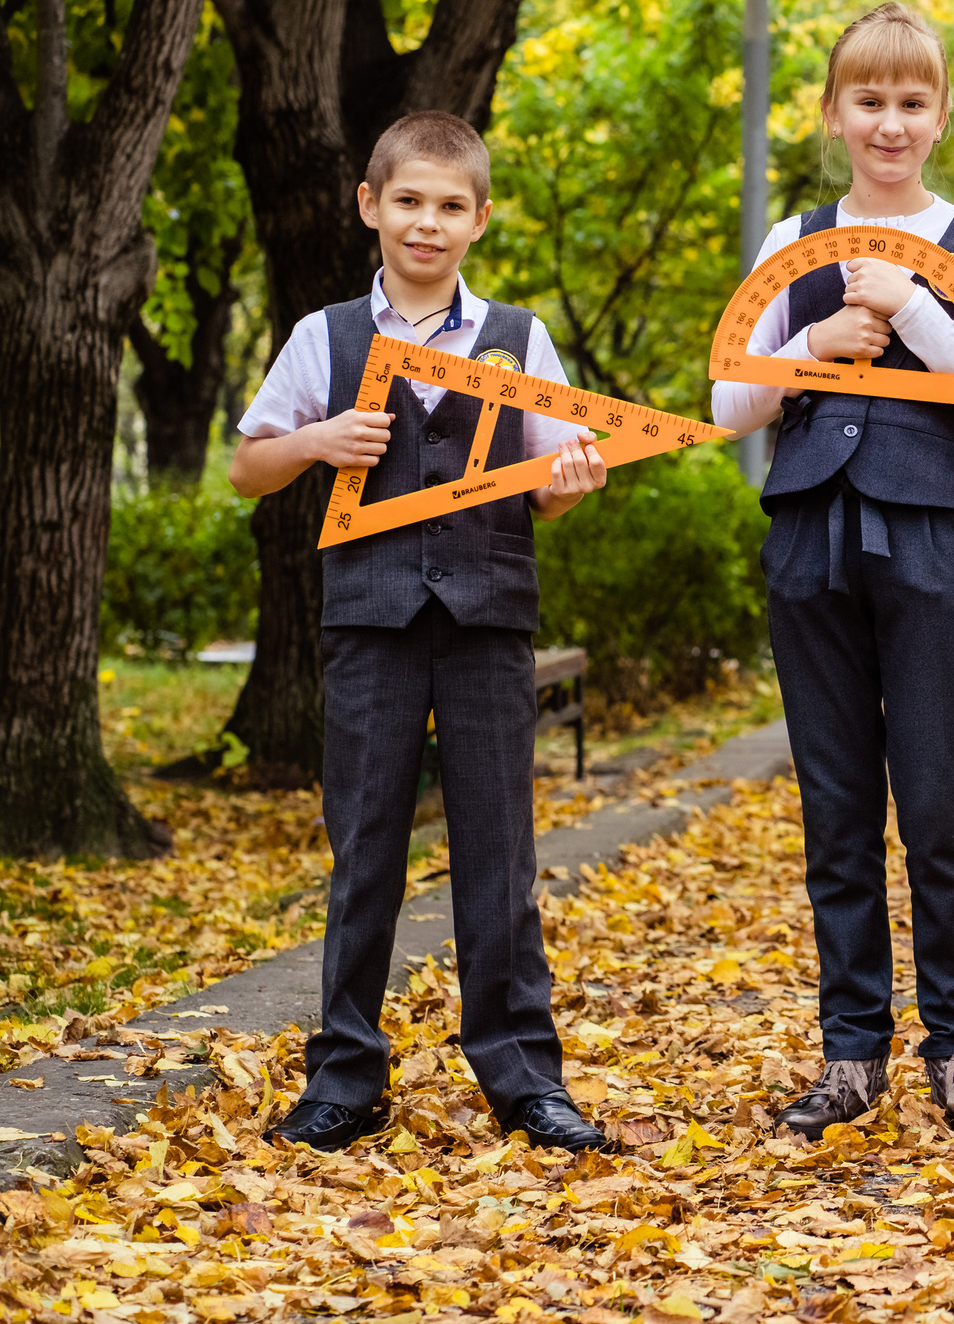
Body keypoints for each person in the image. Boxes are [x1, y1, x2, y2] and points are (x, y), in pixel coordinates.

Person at [228, 111, 612, 1154]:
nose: (427, 224)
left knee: (500, 852)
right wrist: (314, 440)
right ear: (371, 206)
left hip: (489, 620)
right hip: (369, 622)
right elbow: (246, 465)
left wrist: (575, 480)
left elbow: (554, 492)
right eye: (409, 202)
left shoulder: (521, 339)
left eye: (450, 207)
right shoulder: (326, 337)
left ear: (480, 220)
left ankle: (525, 1078)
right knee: (365, 853)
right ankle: (345, 1078)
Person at [712, 2, 954, 1142]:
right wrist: (807, 349)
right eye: (869, 101)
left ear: (939, 115)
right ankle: (852, 1052)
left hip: (934, 548)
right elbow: (727, 399)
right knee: (835, 806)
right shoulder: (792, 240)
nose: (889, 123)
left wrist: (915, 309)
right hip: (810, 544)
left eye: (911, 103)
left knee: (941, 802)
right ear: (834, 113)